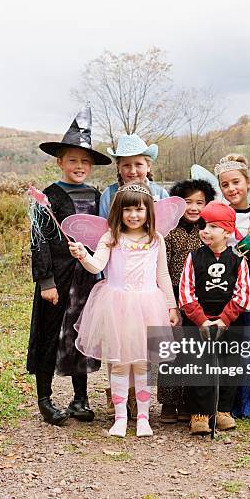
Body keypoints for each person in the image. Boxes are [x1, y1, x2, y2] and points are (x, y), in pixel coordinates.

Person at [69, 183, 179, 438]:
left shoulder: (156, 239)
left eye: (139, 210)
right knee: (118, 364)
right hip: (116, 305)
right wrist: (83, 255)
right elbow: (96, 265)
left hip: (147, 304)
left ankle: (143, 417)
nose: (133, 215)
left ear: (148, 212)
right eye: (127, 209)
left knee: (142, 364)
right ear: (119, 211)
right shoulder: (111, 237)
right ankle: (120, 417)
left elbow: (162, 274)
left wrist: (171, 306)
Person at [27, 105, 112, 425]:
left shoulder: (96, 195)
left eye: (85, 161)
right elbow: (39, 241)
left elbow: (105, 234)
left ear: (91, 166)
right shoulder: (47, 197)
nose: (79, 166)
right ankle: (45, 398)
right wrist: (46, 280)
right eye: (72, 160)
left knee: (82, 333)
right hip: (59, 278)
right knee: (50, 334)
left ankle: (80, 397)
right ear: (60, 161)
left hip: (86, 279)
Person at [99, 133, 169, 419]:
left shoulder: (161, 195)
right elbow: (106, 235)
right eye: (125, 165)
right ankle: (119, 395)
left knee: (143, 342)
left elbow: (164, 234)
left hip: (148, 277)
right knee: (118, 340)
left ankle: (141, 398)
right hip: (118, 277)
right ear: (118, 168)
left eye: (138, 164)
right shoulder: (108, 195)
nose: (132, 171)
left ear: (148, 165)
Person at [179, 201, 250, 434]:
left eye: (212, 226)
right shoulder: (194, 257)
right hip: (199, 321)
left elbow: (243, 294)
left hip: (228, 322)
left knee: (229, 366)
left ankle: (223, 410)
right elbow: (186, 292)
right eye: (203, 225)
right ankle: (199, 413)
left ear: (227, 231)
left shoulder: (238, 260)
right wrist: (201, 320)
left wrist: (224, 319)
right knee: (199, 366)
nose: (205, 230)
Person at [215, 154, 250, 417]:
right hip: (221, 288)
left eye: (236, 182)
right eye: (225, 185)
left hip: (248, 288)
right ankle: (221, 404)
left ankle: (246, 406)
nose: (231, 189)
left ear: (248, 182)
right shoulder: (217, 215)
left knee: (247, 344)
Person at [157, 179, 216, 424]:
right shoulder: (170, 232)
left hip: (199, 299)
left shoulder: (208, 232)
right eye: (188, 202)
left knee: (194, 351)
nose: (193, 208)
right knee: (171, 350)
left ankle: (189, 402)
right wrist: (169, 300)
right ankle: (169, 402)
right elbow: (162, 267)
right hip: (172, 296)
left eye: (199, 202)